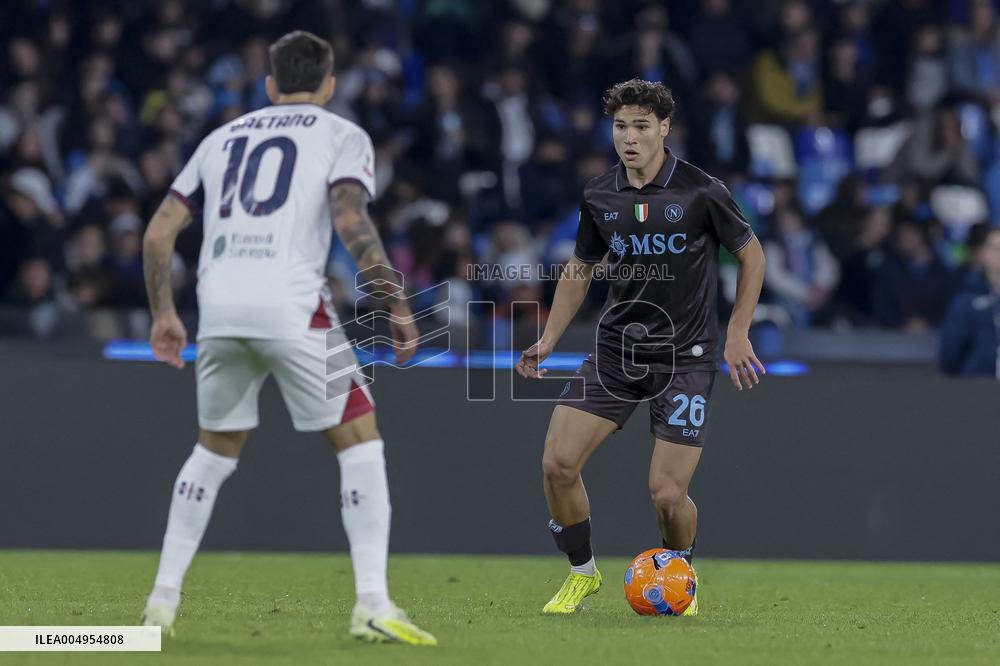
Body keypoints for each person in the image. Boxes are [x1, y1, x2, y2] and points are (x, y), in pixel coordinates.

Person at [139, 31, 436, 646]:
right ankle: (373, 605)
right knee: (360, 441)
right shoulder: (341, 134)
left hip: (218, 309)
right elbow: (350, 218)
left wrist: (164, 314)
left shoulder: (220, 139)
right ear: (329, 84)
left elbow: (157, 233)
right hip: (295, 309)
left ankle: (160, 602)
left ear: (269, 84)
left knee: (215, 449)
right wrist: (396, 301)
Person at [516, 79, 767, 615]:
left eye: (641, 127)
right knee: (557, 463)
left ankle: (681, 575)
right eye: (621, 127)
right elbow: (581, 268)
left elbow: (752, 255)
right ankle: (582, 574)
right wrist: (549, 338)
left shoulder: (702, 191)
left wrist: (739, 331)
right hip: (616, 353)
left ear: (664, 129)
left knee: (667, 495)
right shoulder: (599, 194)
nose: (630, 138)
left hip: (687, 358)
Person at [939, 227, 1000, 376]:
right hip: (977, 390)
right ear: (984, 253)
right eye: (996, 248)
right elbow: (949, 357)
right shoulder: (965, 301)